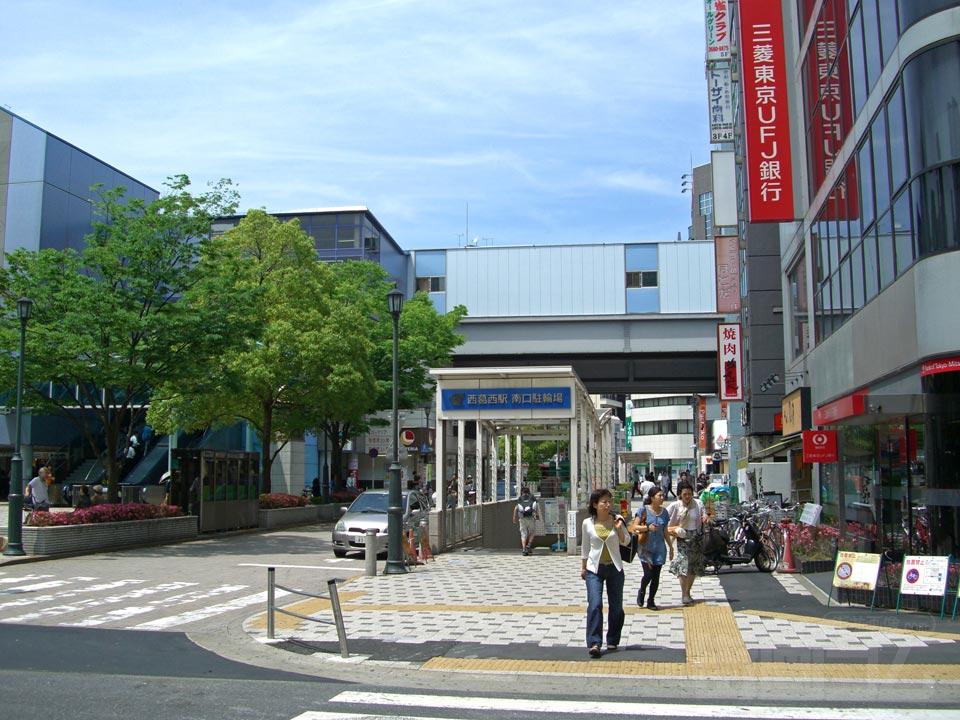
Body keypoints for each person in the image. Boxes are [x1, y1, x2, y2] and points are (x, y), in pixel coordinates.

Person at [580, 487, 629, 658]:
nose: (608, 505)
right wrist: (583, 567)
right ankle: (594, 642)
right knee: (595, 604)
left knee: (616, 607)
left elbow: (627, 541)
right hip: (595, 569)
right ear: (595, 504)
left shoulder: (617, 519)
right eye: (604, 502)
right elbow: (585, 547)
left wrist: (620, 528)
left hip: (614, 568)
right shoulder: (587, 523)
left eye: (609, 502)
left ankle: (613, 638)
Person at [629, 485, 673, 610]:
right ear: (652, 498)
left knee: (656, 576)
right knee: (648, 574)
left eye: (663, 495)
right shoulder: (643, 510)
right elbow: (634, 527)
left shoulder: (664, 512)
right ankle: (642, 590)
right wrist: (647, 528)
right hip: (645, 548)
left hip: (659, 548)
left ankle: (651, 600)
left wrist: (670, 547)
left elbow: (665, 530)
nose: (662, 498)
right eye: (659, 495)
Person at [667, 480, 709, 606]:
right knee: (683, 563)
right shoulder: (675, 506)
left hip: (696, 537)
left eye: (689, 494)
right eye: (685, 494)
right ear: (680, 494)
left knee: (693, 565)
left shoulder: (698, 504)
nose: (687, 497)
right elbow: (665, 516)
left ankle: (688, 591)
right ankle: (684, 594)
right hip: (682, 537)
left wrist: (705, 516)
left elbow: (703, 513)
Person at [513, 486, 540, 556]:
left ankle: (524, 549)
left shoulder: (520, 498)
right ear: (529, 492)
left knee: (523, 534)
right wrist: (537, 515)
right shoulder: (532, 497)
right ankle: (529, 545)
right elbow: (536, 506)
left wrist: (514, 518)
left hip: (522, 518)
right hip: (531, 518)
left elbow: (516, 508)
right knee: (532, 532)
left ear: (522, 492)